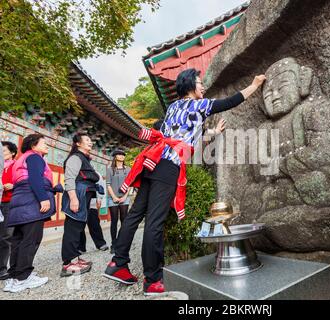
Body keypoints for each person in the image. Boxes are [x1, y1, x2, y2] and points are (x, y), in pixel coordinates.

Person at [103, 68, 266, 296]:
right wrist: (255, 84)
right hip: (168, 166)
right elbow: (231, 101)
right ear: (190, 85)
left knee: (135, 214)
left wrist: (211, 133)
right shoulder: (199, 105)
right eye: (200, 83)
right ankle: (153, 280)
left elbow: (185, 136)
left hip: (153, 161)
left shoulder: (172, 108)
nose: (203, 87)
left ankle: (117, 263)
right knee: (155, 222)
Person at [4, 134, 62, 293]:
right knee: (31, 239)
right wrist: (43, 198)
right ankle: (23, 277)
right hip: (31, 204)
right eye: (44, 143)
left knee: (18, 240)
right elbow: (35, 179)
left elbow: (24, 181)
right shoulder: (35, 158)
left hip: (19, 204)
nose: (47, 146)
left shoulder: (20, 160)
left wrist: (52, 189)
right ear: (33, 145)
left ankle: (14, 276)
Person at [60, 133, 100, 277]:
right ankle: (68, 264)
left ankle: (75, 258)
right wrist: (73, 198)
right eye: (87, 140)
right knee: (73, 228)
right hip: (77, 195)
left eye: (91, 139)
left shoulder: (84, 158)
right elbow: (69, 179)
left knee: (78, 228)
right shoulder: (75, 157)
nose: (91, 142)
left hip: (84, 196)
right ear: (78, 143)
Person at [106, 149, 131, 255]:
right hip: (113, 198)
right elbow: (108, 184)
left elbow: (129, 184)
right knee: (114, 221)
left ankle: (122, 243)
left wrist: (125, 196)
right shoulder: (110, 169)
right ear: (115, 156)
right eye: (119, 154)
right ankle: (114, 244)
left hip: (124, 198)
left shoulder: (128, 169)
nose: (122, 156)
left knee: (124, 221)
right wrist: (114, 197)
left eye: (123, 155)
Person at [78, 170, 108, 253]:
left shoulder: (94, 172)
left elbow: (100, 184)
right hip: (79, 202)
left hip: (92, 201)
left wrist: (99, 198)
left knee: (94, 223)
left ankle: (101, 243)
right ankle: (81, 247)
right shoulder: (76, 170)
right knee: (79, 225)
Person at [0, 141, 18, 280]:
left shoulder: (16, 166)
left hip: (8, 203)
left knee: (6, 236)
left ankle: (2, 269)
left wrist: (13, 185)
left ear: (12, 153)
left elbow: (24, 180)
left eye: (4, 151)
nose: (2, 154)